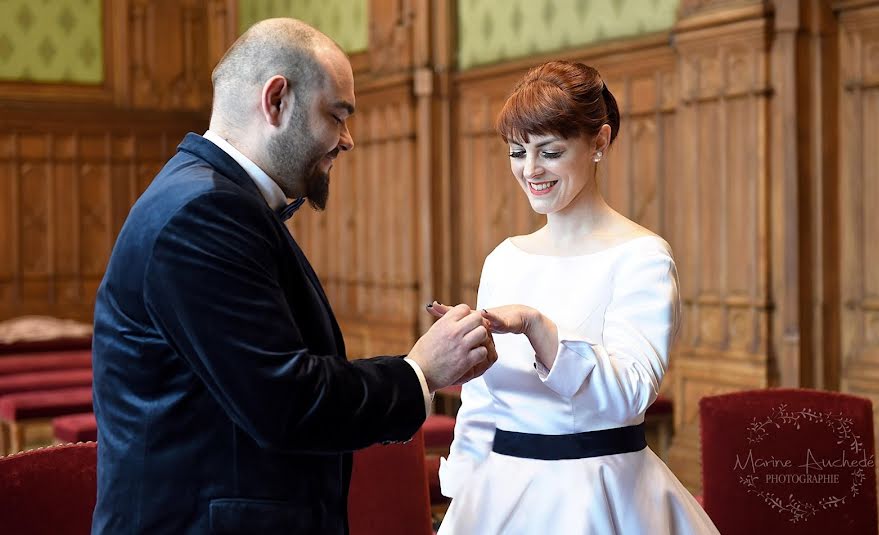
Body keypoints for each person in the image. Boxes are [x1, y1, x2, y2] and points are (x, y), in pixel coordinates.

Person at [90, 18, 495, 534]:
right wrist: (421, 371)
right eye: (337, 115)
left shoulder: (216, 199)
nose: (347, 140)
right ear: (276, 100)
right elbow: (284, 400)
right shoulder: (203, 213)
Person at [430, 61, 720, 534]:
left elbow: (629, 396)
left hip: (604, 495)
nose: (530, 171)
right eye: (517, 152)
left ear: (600, 142)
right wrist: (465, 489)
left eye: (550, 151)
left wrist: (539, 328)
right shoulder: (503, 259)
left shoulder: (642, 257)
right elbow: (481, 400)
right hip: (498, 496)